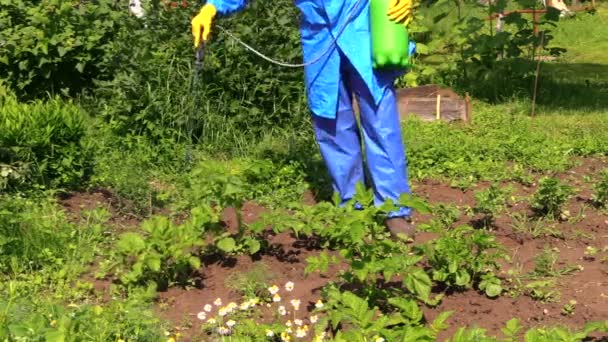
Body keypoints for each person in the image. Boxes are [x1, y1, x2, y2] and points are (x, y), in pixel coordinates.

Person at [191, 0, 417, 241]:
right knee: (331, 123)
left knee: (380, 121)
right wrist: (213, 6)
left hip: (364, 28)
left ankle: (394, 209)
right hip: (319, 35)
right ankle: (352, 205)